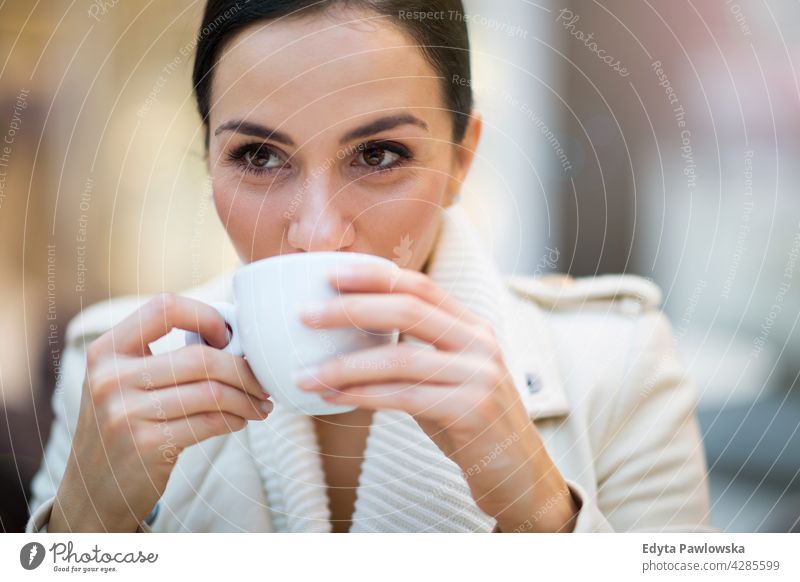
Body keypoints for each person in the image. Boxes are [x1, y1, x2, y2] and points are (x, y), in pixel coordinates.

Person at [27, 0, 713, 533]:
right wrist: (83, 530)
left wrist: (540, 513)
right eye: (258, 157)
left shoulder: (620, 362)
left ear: (461, 159)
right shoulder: (111, 371)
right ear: (208, 162)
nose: (319, 230)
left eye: (379, 154)